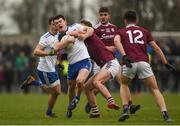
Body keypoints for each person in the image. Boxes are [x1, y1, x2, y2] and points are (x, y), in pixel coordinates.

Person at [70, 20, 140, 118]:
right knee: (87, 88)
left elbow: (88, 30)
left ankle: (111, 101)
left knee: (98, 82)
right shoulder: (83, 43)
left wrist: (70, 32)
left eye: (82, 27)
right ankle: (95, 112)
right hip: (106, 64)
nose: (80, 29)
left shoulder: (90, 33)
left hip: (111, 63)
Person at [114, 10, 175, 122]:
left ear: (125, 21)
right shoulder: (145, 31)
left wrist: (124, 56)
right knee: (155, 89)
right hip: (143, 62)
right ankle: (165, 114)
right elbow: (156, 48)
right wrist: (165, 62)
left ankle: (126, 109)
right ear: (136, 20)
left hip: (129, 62)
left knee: (123, 84)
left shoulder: (121, 31)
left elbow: (116, 41)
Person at [53, 14, 93, 118]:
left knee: (80, 81)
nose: (58, 24)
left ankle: (77, 98)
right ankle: (69, 107)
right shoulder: (57, 37)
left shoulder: (75, 26)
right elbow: (56, 47)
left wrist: (83, 35)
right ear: (55, 26)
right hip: (71, 65)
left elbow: (90, 29)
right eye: (56, 23)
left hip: (84, 60)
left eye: (60, 21)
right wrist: (67, 40)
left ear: (65, 21)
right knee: (70, 87)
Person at [20, 17, 61, 117]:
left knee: (56, 92)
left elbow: (54, 53)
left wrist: (57, 62)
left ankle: (48, 113)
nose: (56, 26)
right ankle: (34, 82)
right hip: (45, 69)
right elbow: (36, 52)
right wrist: (49, 53)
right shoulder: (45, 37)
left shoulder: (58, 35)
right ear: (49, 25)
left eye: (57, 24)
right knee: (55, 92)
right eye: (53, 24)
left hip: (52, 68)